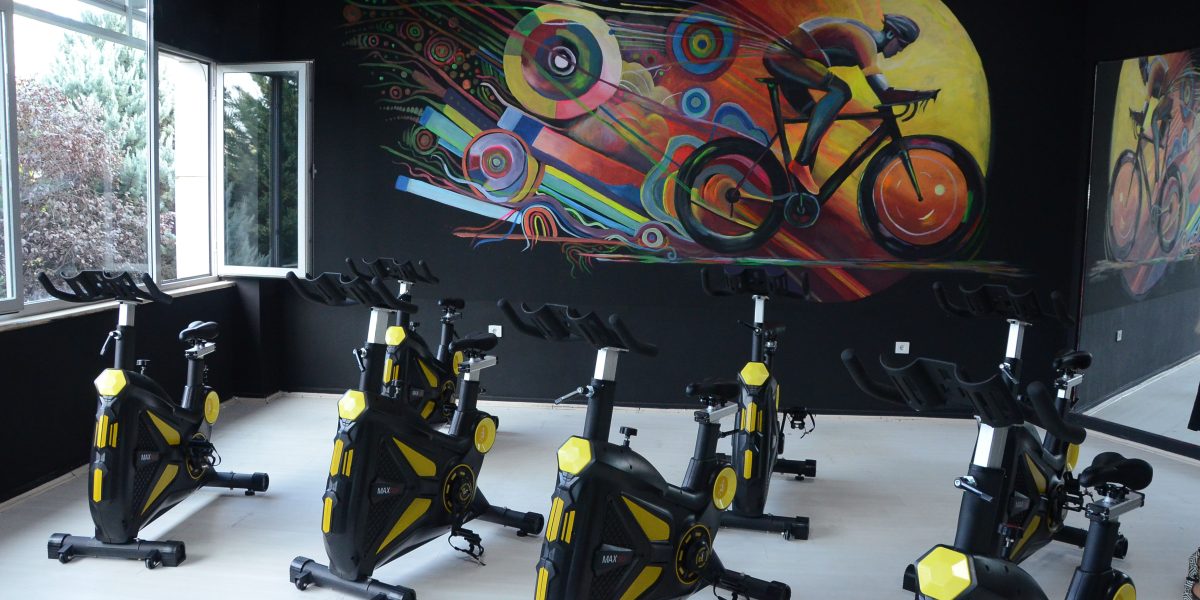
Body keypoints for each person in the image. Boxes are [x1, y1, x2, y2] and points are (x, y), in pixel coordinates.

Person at [762, 14, 935, 192]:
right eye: (901, 45)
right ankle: (800, 164)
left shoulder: (863, 36)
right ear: (891, 34)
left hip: (788, 59)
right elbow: (885, 94)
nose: (900, 51)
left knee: (819, 120)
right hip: (784, 58)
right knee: (841, 91)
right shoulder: (865, 41)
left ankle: (799, 192)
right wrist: (918, 95)